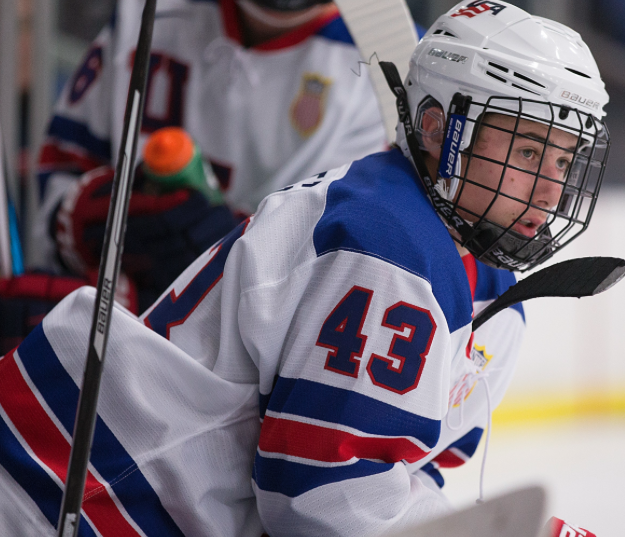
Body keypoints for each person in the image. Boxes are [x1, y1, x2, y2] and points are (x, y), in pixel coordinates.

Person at [0, 2, 611, 537]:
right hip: (67, 494)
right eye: (530, 151)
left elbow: (387, 482)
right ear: (437, 128)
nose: (551, 189)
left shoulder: (476, 276)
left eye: (563, 160)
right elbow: (323, 509)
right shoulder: (389, 246)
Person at [0, 0, 389, 348]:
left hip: (235, 387)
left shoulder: (392, 72)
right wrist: (88, 214)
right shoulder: (147, 11)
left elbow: (335, 299)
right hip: (106, 325)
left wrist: (215, 266)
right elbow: (60, 178)